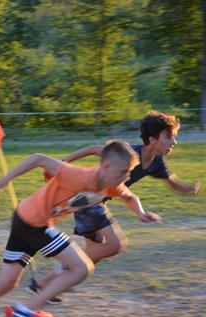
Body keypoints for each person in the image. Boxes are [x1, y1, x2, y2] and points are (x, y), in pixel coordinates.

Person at [0, 140, 161, 317]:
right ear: (106, 167)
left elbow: (129, 196)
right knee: (82, 267)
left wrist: (141, 213)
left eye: (129, 172)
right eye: (123, 172)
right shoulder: (78, 175)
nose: (127, 177)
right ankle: (25, 311)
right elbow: (38, 159)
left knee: (6, 283)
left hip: (26, 220)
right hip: (34, 223)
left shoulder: (111, 184)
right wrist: (1, 182)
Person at [29, 111, 200, 303]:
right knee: (116, 244)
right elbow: (94, 148)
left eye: (174, 137)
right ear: (152, 139)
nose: (173, 142)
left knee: (95, 255)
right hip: (90, 197)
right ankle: (64, 267)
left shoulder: (157, 162)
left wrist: (189, 188)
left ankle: (43, 285)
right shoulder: (129, 154)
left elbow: (172, 183)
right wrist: (63, 162)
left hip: (96, 201)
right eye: (168, 137)